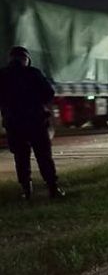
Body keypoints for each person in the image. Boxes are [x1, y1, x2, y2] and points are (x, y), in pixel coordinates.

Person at [0, 46, 64, 199]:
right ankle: (52, 188)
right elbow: (49, 92)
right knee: (44, 156)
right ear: (26, 59)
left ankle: (26, 190)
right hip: (36, 122)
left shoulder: (2, 75)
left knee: (21, 157)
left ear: (11, 59)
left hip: (14, 123)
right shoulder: (33, 73)